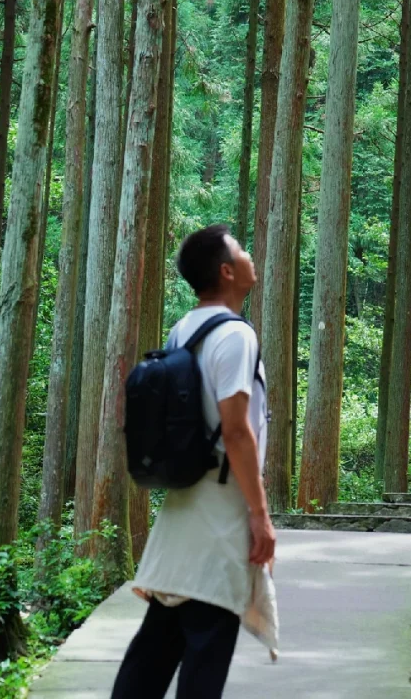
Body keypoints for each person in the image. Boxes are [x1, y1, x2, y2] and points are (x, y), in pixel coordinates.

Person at [111, 224, 276, 699]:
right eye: (241, 250)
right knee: (207, 642)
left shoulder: (184, 328)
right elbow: (236, 430)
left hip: (185, 500)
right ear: (227, 271)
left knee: (158, 642)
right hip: (218, 511)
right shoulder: (236, 336)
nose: (249, 256)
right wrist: (259, 515)